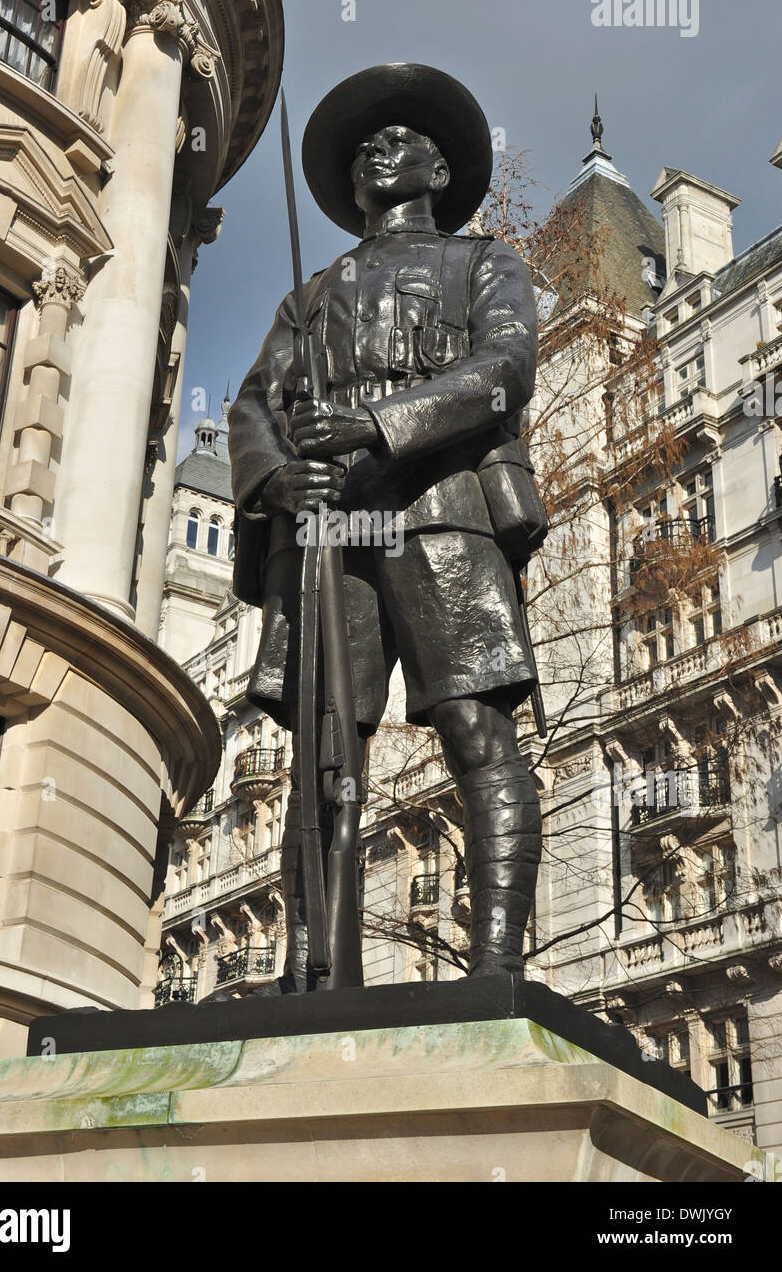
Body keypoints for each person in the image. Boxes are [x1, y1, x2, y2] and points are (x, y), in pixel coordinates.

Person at [229, 63, 544, 990]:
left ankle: (495, 966)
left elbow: (504, 370)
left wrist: (376, 424)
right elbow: (255, 403)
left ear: (439, 173)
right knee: (323, 745)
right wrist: (282, 475)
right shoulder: (309, 296)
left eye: (399, 139)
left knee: (474, 728)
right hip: (325, 521)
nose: (376, 149)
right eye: (367, 145)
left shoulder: (484, 264)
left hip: (441, 509)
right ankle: (316, 968)